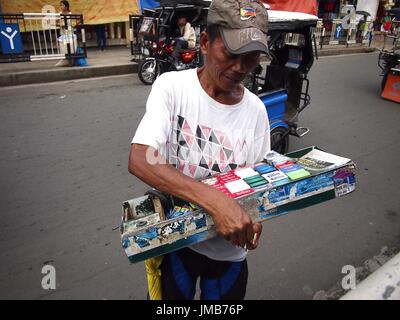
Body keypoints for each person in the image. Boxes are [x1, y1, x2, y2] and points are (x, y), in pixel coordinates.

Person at [129, 0, 270, 300]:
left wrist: (254, 219)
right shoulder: (173, 88)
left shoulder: (256, 111)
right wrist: (216, 203)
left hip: (229, 256)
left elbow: (258, 180)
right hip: (181, 244)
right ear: (205, 42)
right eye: (231, 54)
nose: (239, 68)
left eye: (251, 57)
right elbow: (142, 157)